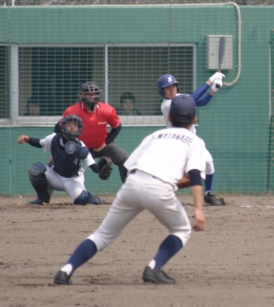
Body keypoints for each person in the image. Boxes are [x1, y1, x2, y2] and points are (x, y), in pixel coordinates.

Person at [53, 95, 206, 285]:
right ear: (194, 119)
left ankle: (65, 271)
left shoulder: (154, 136)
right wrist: (198, 209)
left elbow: (129, 166)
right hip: (159, 189)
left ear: (169, 117)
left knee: (102, 235)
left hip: (132, 184)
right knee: (181, 229)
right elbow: (195, 175)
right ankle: (153, 268)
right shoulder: (195, 141)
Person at [158, 72, 225, 206]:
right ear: (162, 91)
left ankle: (208, 194)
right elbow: (190, 100)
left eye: (173, 86)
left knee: (209, 162)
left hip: (192, 141)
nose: (172, 90)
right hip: (178, 143)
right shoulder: (167, 105)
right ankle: (164, 192)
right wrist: (210, 81)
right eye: (168, 88)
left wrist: (213, 90)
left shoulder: (179, 98)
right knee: (181, 173)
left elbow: (201, 102)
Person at [17, 115, 106, 206]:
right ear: (62, 127)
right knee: (36, 169)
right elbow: (40, 143)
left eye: (75, 126)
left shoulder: (81, 146)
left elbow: (93, 166)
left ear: (79, 129)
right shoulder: (54, 138)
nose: (72, 128)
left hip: (73, 180)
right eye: (69, 125)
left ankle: (90, 197)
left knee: (82, 200)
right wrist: (28, 139)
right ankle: (43, 198)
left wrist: (102, 168)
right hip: (55, 176)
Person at [61, 81, 129, 182]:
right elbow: (60, 129)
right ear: (81, 95)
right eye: (88, 94)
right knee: (57, 162)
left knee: (126, 159)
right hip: (80, 147)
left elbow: (117, 127)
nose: (91, 97)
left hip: (103, 146)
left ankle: (128, 190)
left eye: (94, 94)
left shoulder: (107, 110)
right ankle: (46, 191)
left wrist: (105, 144)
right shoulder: (71, 111)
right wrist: (56, 151)